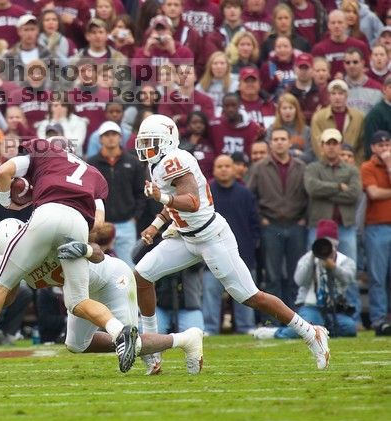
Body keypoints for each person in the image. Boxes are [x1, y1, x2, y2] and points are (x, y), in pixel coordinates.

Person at [133, 115, 329, 370]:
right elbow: (172, 199)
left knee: (250, 297)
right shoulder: (158, 162)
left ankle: (310, 332)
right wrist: (155, 225)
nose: (147, 147)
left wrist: (162, 198)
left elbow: (190, 201)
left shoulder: (175, 161)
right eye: (145, 141)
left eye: (152, 141)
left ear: (168, 140)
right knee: (142, 276)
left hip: (211, 237)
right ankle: (153, 348)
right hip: (185, 236)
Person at [0, 136, 141, 374]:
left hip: (48, 212)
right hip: (77, 223)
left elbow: (4, 171)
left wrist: (6, 202)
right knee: (77, 302)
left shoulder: (45, 154)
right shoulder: (93, 172)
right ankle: (120, 332)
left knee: (1, 284)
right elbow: (98, 223)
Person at [0, 218, 204, 375]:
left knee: (129, 341)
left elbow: (98, 253)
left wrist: (84, 249)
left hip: (112, 280)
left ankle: (186, 339)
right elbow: (8, 298)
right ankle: (142, 346)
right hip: (81, 294)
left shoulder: (48, 235)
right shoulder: (2, 257)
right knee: (76, 344)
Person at [254, 220, 357, 339]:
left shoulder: (344, 261)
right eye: (322, 244)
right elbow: (299, 281)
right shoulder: (308, 258)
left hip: (334, 309)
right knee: (304, 331)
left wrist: (334, 268)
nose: (325, 248)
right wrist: (312, 259)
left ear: (336, 244)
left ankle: (320, 327)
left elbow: (349, 278)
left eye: (329, 244)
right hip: (311, 307)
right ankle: (273, 332)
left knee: (349, 328)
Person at [303, 128, 362, 316]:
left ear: (340, 145)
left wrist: (326, 193)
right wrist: (338, 187)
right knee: (314, 271)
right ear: (321, 146)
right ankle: (316, 313)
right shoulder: (312, 168)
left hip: (345, 227)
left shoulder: (351, 169)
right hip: (320, 229)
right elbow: (312, 189)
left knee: (349, 272)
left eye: (334, 143)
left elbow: (354, 194)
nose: (331, 147)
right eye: (328, 143)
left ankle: (354, 315)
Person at [248, 129, 308, 309]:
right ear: (270, 143)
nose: (280, 142)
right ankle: (273, 319)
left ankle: (297, 318)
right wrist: (261, 219)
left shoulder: (301, 166)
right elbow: (250, 197)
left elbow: (309, 195)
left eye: (283, 139)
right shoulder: (259, 168)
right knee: (272, 276)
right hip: (271, 226)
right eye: (276, 139)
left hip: (296, 225)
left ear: (290, 143)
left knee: (296, 275)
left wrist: (304, 218)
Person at [202, 155, 258, 335]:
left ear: (234, 169)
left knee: (246, 292)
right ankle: (210, 328)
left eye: (228, 165)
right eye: (220, 166)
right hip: (210, 254)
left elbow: (253, 224)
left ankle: (246, 326)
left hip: (242, 254)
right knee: (211, 293)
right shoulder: (206, 192)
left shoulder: (244, 193)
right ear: (214, 169)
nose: (224, 169)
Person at [86, 121, 146, 265]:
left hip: (126, 224)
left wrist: (135, 218)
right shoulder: (91, 164)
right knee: (97, 267)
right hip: (100, 225)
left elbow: (140, 192)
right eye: (106, 135)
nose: (111, 137)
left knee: (129, 267)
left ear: (120, 137)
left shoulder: (133, 162)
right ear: (100, 139)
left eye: (114, 134)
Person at [360, 130, 391, 336]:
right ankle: (379, 319)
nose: (384, 148)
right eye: (380, 145)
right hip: (377, 227)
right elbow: (373, 193)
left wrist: (389, 165)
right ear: (372, 148)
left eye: (387, 144)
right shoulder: (367, 166)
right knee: (378, 277)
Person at [310, 79, 365, 164]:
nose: (337, 97)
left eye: (340, 94)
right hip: (327, 165)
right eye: (333, 94)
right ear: (329, 96)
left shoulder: (358, 117)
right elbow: (317, 144)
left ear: (346, 96)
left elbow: (362, 145)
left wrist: (356, 163)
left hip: (352, 165)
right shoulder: (318, 117)